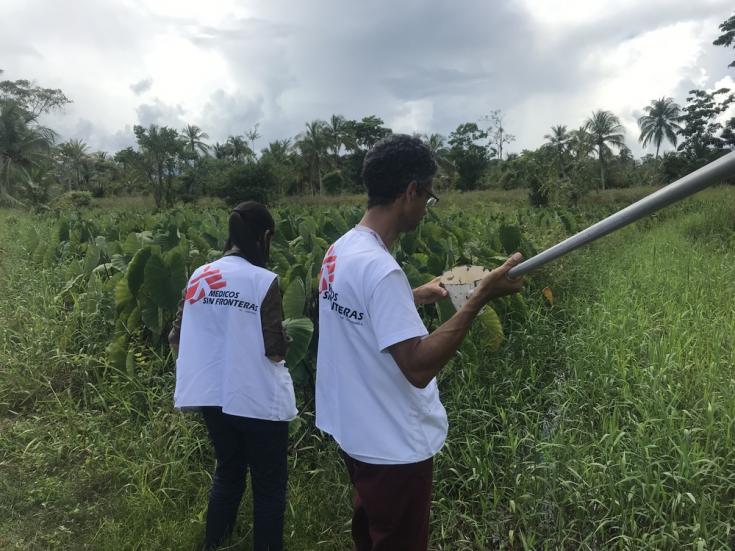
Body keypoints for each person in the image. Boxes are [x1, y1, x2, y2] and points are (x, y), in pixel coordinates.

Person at [315, 134, 524, 551]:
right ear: (410, 192)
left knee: (370, 535)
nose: (427, 208)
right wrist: (481, 296)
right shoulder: (380, 268)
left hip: (356, 435)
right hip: (392, 448)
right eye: (428, 197)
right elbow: (417, 366)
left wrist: (412, 296)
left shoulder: (341, 249)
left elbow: (359, 312)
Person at [169, 201, 295, 551]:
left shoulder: (200, 274)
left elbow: (176, 338)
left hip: (214, 398)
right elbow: (274, 350)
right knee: (268, 488)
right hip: (257, 402)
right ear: (264, 236)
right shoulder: (263, 280)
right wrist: (287, 338)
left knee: (228, 473)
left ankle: (214, 543)